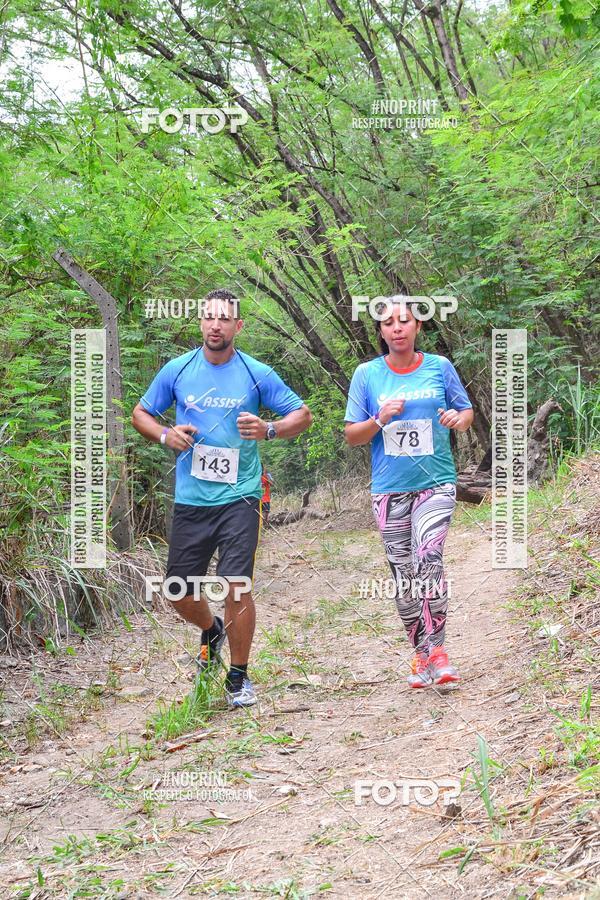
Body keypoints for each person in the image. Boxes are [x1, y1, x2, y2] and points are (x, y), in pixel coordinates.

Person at [132, 289, 312, 707]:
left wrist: (270, 429)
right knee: (177, 589)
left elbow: (302, 415)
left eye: (224, 318)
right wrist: (165, 434)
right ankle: (211, 630)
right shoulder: (177, 370)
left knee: (236, 584)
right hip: (192, 499)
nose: (216, 325)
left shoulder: (257, 373)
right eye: (209, 317)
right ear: (200, 323)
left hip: (241, 496)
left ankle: (238, 676)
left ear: (237, 326)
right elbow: (140, 413)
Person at [344, 298, 473, 688]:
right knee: (403, 575)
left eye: (405, 320)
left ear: (418, 326)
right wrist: (379, 418)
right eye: (388, 322)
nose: (397, 327)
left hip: (435, 483)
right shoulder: (366, 375)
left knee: (428, 557)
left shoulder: (439, 367)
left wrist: (457, 419)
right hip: (389, 488)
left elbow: (466, 413)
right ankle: (420, 654)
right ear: (380, 332)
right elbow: (351, 435)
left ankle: (439, 652)